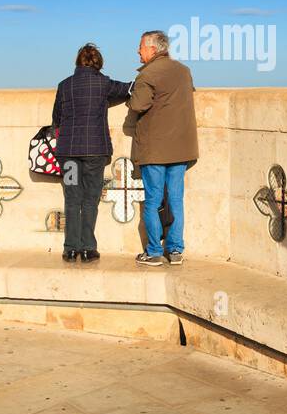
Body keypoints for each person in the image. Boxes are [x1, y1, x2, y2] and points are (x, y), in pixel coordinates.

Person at [51, 43, 133, 262]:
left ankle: (70, 249)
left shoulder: (64, 85)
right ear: (99, 63)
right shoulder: (103, 83)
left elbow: (57, 118)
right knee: (90, 199)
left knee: (71, 198)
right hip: (94, 152)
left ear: (78, 62)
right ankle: (87, 248)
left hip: (68, 152)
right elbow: (129, 89)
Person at [127, 30, 197, 266]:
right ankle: (176, 250)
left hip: (155, 148)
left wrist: (130, 95)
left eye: (140, 47)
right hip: (180, 148)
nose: (138, 51)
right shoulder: (184, 71)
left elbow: (139, 104)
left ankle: (155, 251)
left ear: (153, 49)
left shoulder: (148, 74)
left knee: (153, 200)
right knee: (176, 199)